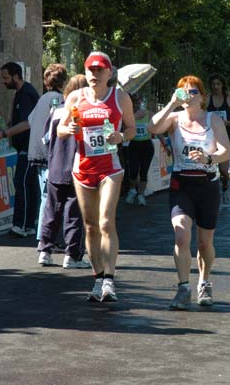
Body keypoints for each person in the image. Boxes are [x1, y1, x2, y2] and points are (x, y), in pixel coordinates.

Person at [57, 51, 135, 303]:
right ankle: (98, 278)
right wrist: (67, 128)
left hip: (110, 168)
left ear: (109, 73)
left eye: (100, 69)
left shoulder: (120, 98)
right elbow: (60, 128)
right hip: (82, 169)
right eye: (91, 69)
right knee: (90, 226)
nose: (94, 74)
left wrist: (121, 137)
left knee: (105, 221)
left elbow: (131, 128)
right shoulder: (75, 97)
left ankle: (110, 281)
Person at [148, 75, 230, 309]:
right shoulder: (174, 118)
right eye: (183, 92)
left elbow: (225, 151)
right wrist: (172, 103)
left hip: (207, 185)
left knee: (205, 243)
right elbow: (153, 127)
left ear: (202, 97)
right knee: (181, 235)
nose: (188, 96)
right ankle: (183, 288)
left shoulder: (212, 119)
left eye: (193, 92)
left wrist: (208, 157)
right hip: (181, 185)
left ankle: (204, 282)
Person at [37, 74, 90, 269]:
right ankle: (73, 254)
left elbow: (46, 139)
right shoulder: (85, 111)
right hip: (77, 167)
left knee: (52, 211)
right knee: (74, 213)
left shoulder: (56, 111)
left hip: (55, 165)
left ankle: (45, 250)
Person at [0, 61, 40, 237]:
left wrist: (4, 133)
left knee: (22, 182)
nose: (3, 81)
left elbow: (27, 123)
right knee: (29, 184)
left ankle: (21, 225)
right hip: (25, 146)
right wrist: (8, 124)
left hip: (28, 146)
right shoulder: (22, 93)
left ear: (16, 76)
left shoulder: (25, 94)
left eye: (6, 77)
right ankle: (30, 223)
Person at [28, 63, 67, 250]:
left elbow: (30, 120)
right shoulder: (59, 100)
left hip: (35, 152)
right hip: (48, 153)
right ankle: (45, 239)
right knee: (49, 198)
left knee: (45, 195)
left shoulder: (42, 98)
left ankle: (44, 237)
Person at [207, 74, 230, 203]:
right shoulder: (206, 99)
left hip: (224, 137)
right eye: (213, 84)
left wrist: (225, 123)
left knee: (223, 171)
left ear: (222, 85)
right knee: (207, 168)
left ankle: (225, 187)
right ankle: (209, 194)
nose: (216, 87)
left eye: (218, 84)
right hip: (208, 137)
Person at [124, 93, 155, 206]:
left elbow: (157, 129)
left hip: (146, 145)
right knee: (133, 170)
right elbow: (123, 128)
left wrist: (164, 144)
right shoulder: (129, 114)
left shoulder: (149, 114)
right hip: (134, 145)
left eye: (139, 102)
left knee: (144, 171)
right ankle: (132, 190)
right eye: (135, 102)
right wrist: (135, 117)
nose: (137, 104)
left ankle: (141, 194)